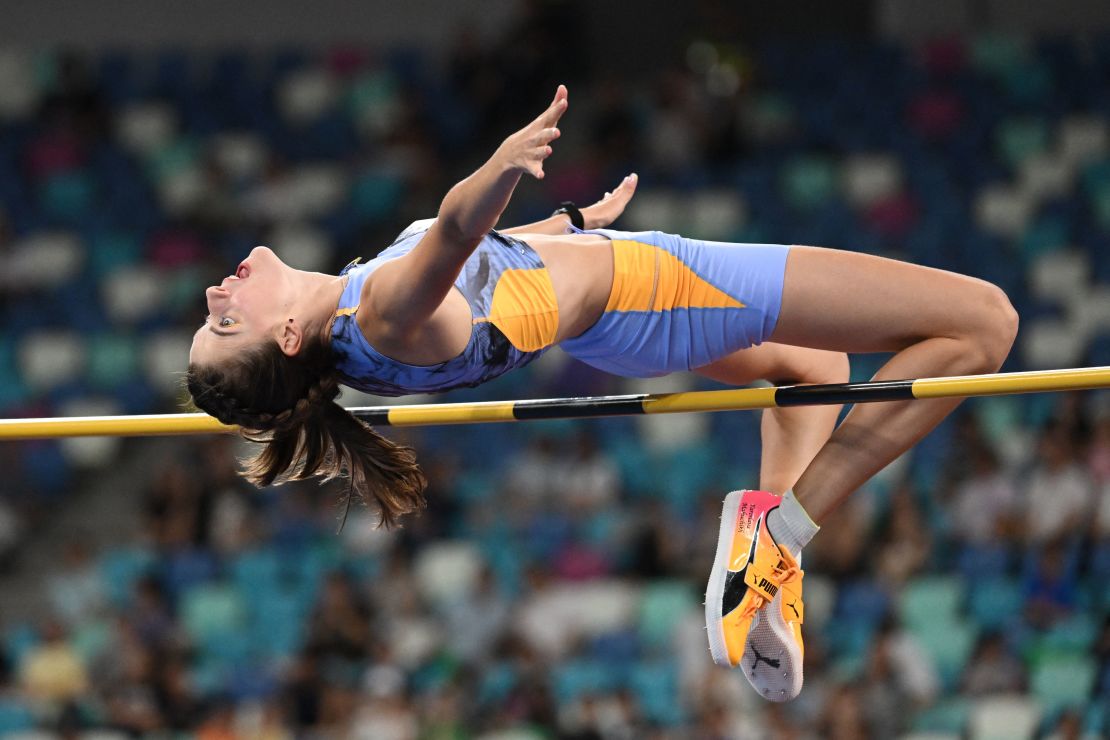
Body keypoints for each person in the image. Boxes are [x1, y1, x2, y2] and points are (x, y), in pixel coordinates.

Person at [186, 85, 1018, 702]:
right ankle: (785, 534)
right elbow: (452, 236)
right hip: (662, 289)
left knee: (813, 371)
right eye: (224, 326)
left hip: (617, 315)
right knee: (985, 323)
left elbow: (488, 269)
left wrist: (571, 228)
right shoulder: (382, 317)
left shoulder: (360, 330)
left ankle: (773, 559)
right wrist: (499, 169)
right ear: (286, 340)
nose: (217, 299)